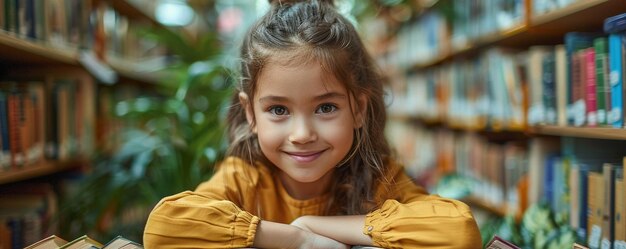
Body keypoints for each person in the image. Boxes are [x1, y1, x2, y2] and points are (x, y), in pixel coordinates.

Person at [143, 0, 481, 248]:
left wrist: (313, 224)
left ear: (359, 109)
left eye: (326, 107)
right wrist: (298, 240)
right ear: (250, 114)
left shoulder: (379, 179)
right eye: (278, 110)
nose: (302, 134)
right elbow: (164, 226)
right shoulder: (245, 178)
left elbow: (458, 231)